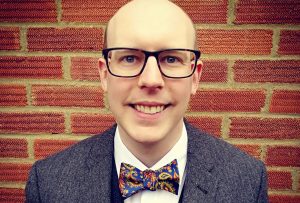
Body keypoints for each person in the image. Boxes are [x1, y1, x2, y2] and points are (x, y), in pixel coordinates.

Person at [25, 0, 268, 202]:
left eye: (171, 59)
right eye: (130, 58)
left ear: (195, 77)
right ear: (104, 74)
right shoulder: (47, 183)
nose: (151, 80)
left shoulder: (247, 181)